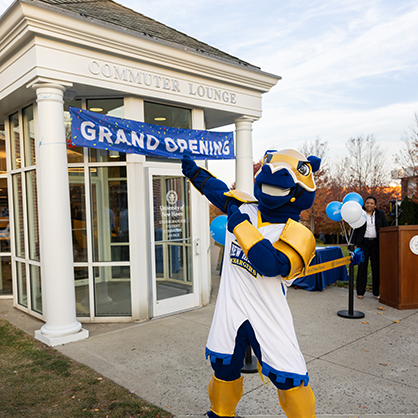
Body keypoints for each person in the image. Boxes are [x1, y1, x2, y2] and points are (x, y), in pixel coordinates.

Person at [182, 149, 321, 418]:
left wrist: (239, 225)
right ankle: (221, 414)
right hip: (231, 311)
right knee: (224, 369)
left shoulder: (299, 234)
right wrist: (193, 172)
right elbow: (217, 190)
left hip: (268, 316)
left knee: (289, 377)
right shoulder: (246, 207)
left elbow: (269, 265)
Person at [352, 196, 388, 299]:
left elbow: (385, 228)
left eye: (372, 203)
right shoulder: (360, 214)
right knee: (362, 268)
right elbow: (355, 229)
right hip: (363, 244)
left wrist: (386, 243)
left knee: (376, 268)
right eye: (367, 203)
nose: (369, 205)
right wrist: (355, 244)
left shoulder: (380, 214)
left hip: (376, 244)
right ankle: (360, 292)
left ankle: (376, 292)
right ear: (365, 204)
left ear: (375, 205)